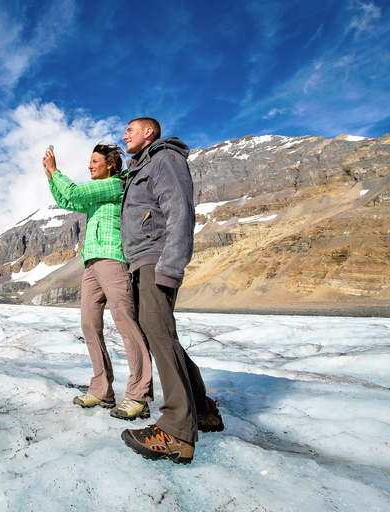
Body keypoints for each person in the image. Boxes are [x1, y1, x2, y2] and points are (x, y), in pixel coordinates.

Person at [118, 118, 224, 464]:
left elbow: (180, 210)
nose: (124, 135)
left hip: (156, 259)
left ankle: (177, 431)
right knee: (163, 335)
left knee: (159, 335)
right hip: (142, 261)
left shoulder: (164, 157)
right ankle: (204, 410)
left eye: (130, 130)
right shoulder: (140, 167)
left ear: (150, 132)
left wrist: (170, 266)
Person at [43, 144, 153, 421]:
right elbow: (66, 202)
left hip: (112, 260)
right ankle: (102, 389)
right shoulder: (98, 192)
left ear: (111, 166)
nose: (90, 166)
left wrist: (56, 171)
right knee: (89, 324)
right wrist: (49, 176)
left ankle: (139, 394)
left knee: (127, 324)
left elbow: (74, 192)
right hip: (91, 263)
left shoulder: (114, 185)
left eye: (94, 161)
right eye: (89, 162)